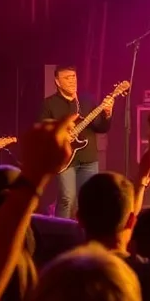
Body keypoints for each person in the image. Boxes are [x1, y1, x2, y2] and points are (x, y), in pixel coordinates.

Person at [39, 65, 113, 219]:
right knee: (67, 198)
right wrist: (62, 130)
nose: (72, 81)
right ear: (57, 82)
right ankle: (61, 234)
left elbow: (101, 128)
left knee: (86, 200)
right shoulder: (49, 104)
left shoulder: (87, 100)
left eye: (74, 77)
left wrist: (107, 114)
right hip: (65, 159)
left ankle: (83, 235)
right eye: (67, 78)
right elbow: (43, 130)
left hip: (89, 158)